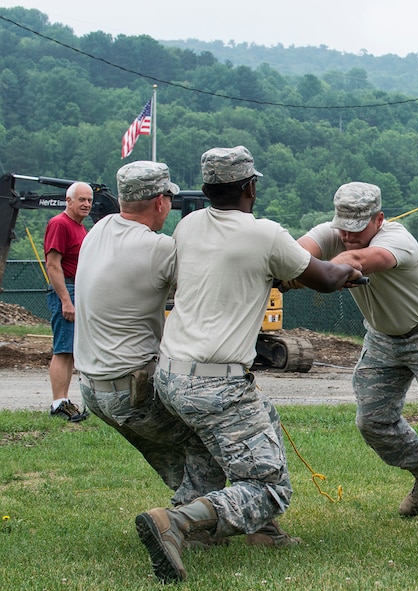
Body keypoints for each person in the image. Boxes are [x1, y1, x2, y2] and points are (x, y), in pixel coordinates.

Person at [134, 146, 361, 584]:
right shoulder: (267, 234)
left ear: (204, 189)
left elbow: (237, 269)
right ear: (251, 187)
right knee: (269, 488)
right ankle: (177, 523)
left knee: (225, 440)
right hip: (216, 383)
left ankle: (251, 532)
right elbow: (325, 277)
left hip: (170, 375)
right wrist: (350, 271)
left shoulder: (188, 225)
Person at [298, 181, 418, 530]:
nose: (347, 235)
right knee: (372, 420)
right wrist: (290, 264)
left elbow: (359, 260)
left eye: (357, 228)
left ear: (378, 219)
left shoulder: (397, 240)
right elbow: (297, 251)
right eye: (342, 227)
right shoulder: (336, 233)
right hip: (382, 337)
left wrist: (313, 270)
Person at [74, 161, 228, 542]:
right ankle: (187, 526)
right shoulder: (158, 248)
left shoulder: (100, 230)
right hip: (132, 387)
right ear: (161, 202)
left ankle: (193, 509)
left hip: (93, 388)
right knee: (206, 438)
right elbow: (208, 286)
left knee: (173, 447)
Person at [44, 181, 93, 422]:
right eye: (81, 199)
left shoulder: (80, 228)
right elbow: (53, 264)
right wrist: (66, 300)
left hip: (78, 290)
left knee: (71, 351)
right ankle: (57, 403)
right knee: (63, 349)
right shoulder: (59, 224)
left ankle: (64, 400)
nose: (86, 204)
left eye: (89, 200)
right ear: (68, 201)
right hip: (67, 289)